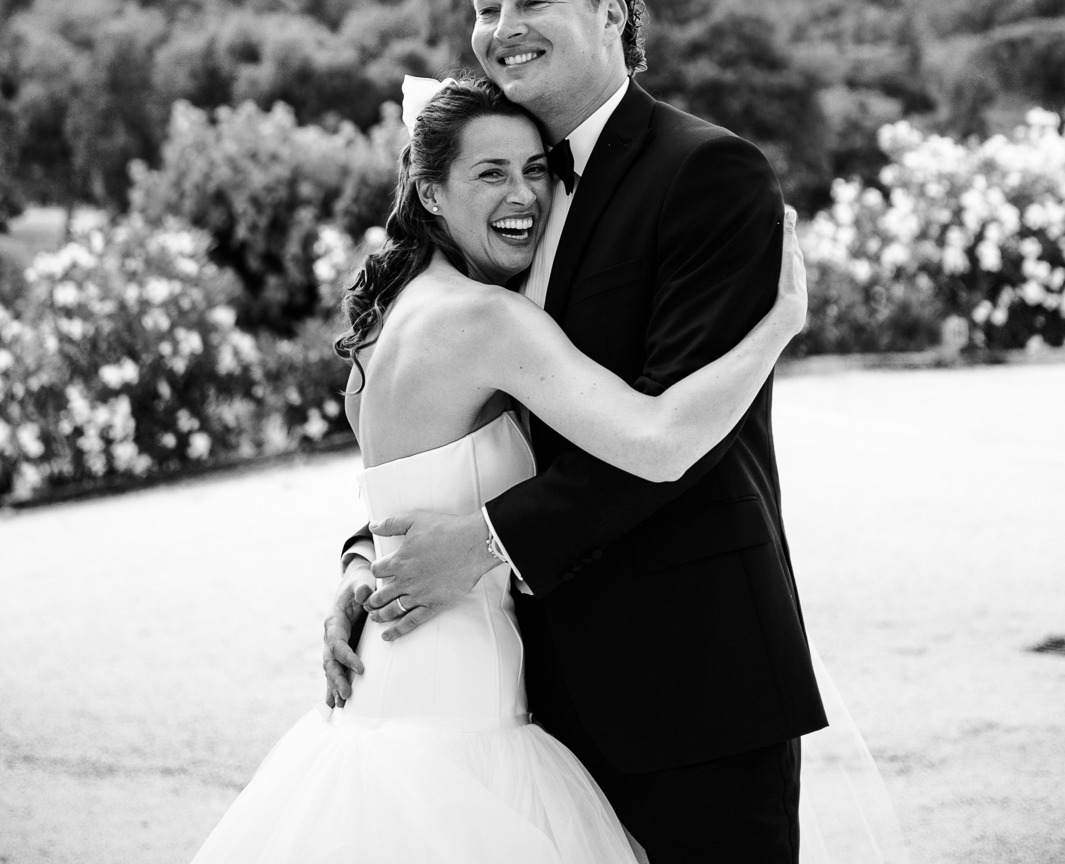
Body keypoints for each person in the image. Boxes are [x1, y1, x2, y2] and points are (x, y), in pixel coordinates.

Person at [188, 77, 807, 864]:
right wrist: (774, 329)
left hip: (399, 662)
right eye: (490, 174)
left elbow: (399, 490)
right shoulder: (486, 320)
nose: (524, 195)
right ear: (430, 193)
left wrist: (358, 569)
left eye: (535, 170)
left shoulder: (392, 311)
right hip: (461, 688)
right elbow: (658, 441)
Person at [325, 0, 828, 864]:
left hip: (687, 672)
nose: (501, 27)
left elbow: (678, 437)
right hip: (522, 685)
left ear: (611, 13)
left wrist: (480, 542)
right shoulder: (493, 205)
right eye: (484, 7)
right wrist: (368, 561)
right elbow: (438, 422)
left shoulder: (707, 173)